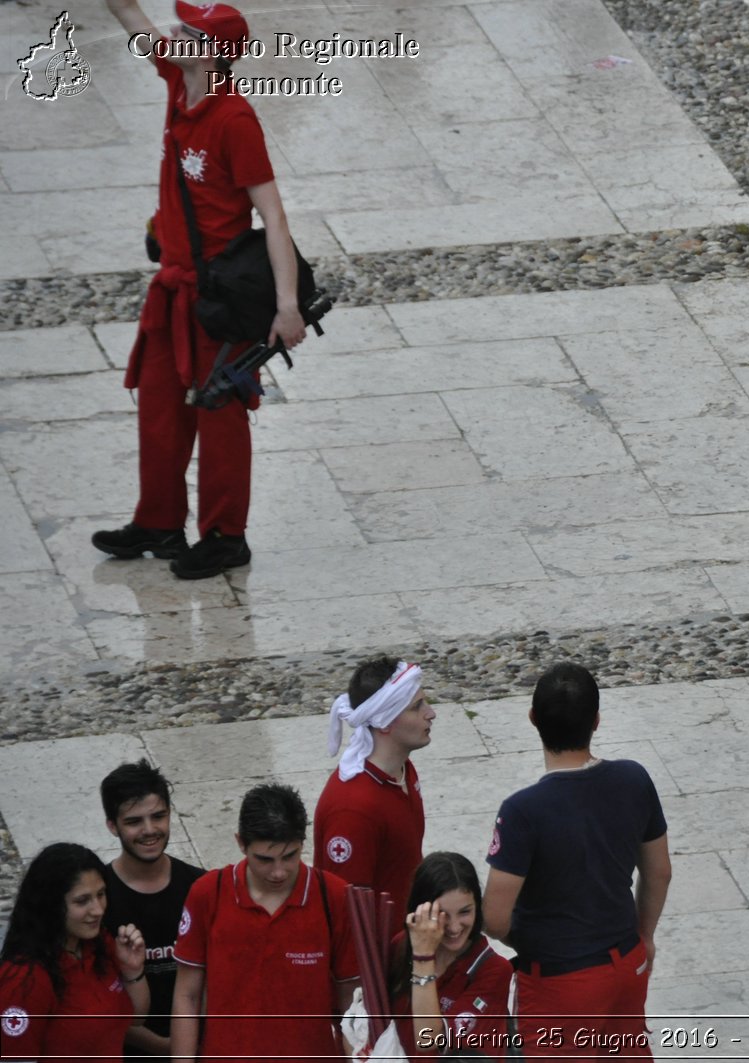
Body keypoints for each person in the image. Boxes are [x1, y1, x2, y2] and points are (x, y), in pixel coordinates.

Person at [93, 0, 307, 579]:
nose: (172, 32)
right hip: (173, 291)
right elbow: (131, 18)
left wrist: (288, 307)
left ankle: (224, 536)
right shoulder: (176, 75)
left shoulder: (234, 121)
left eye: (186, 30)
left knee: (220, 416)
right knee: (160, 407)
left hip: (221, 300)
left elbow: (275, 218)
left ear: (211, 52)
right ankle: (159, 521)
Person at [483, 662, 671, 1059]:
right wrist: (644, 936)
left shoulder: (522, 811)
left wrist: (534, 940)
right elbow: (659, 871)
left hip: (559, 984)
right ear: (596, 720)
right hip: (626, 965)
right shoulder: (634, 779)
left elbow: (496, 920)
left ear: (533, 719)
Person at [172, 783, 359, 1063]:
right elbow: (187, 995)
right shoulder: (208, 894)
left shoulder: (334, 897)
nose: (278, 872)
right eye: (265, 859)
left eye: (290, 856)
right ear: (241, 843)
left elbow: (350, 1002)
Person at [317, 657, 433, 940]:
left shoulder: (404, 771)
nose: (431, 713)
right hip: (381, 966)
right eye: (417, 707)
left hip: (410, 946)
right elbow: (347, 915)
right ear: (384, 723)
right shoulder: (354, 809)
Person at [0, 843, 150, 1062]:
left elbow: (135, 1018)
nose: (98, 909)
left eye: (101, 894)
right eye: (82, 901)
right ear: (50, 905)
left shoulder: (98, 945)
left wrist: (132, 970)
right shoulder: (24, 979)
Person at [100, 759, 205, 1060]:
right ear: (112, 825)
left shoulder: (200, 885)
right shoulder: (98, 899)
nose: (149, 830)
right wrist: (163, 1048)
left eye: (158, 816)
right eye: (134, 821)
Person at [390, 853, 514, 1059]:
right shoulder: (400, 947)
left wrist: (423, 957)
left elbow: (428, 1039)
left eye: (465, 912)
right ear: (420, 910)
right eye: (443, 914)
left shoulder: (493, 970)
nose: (455, 927)